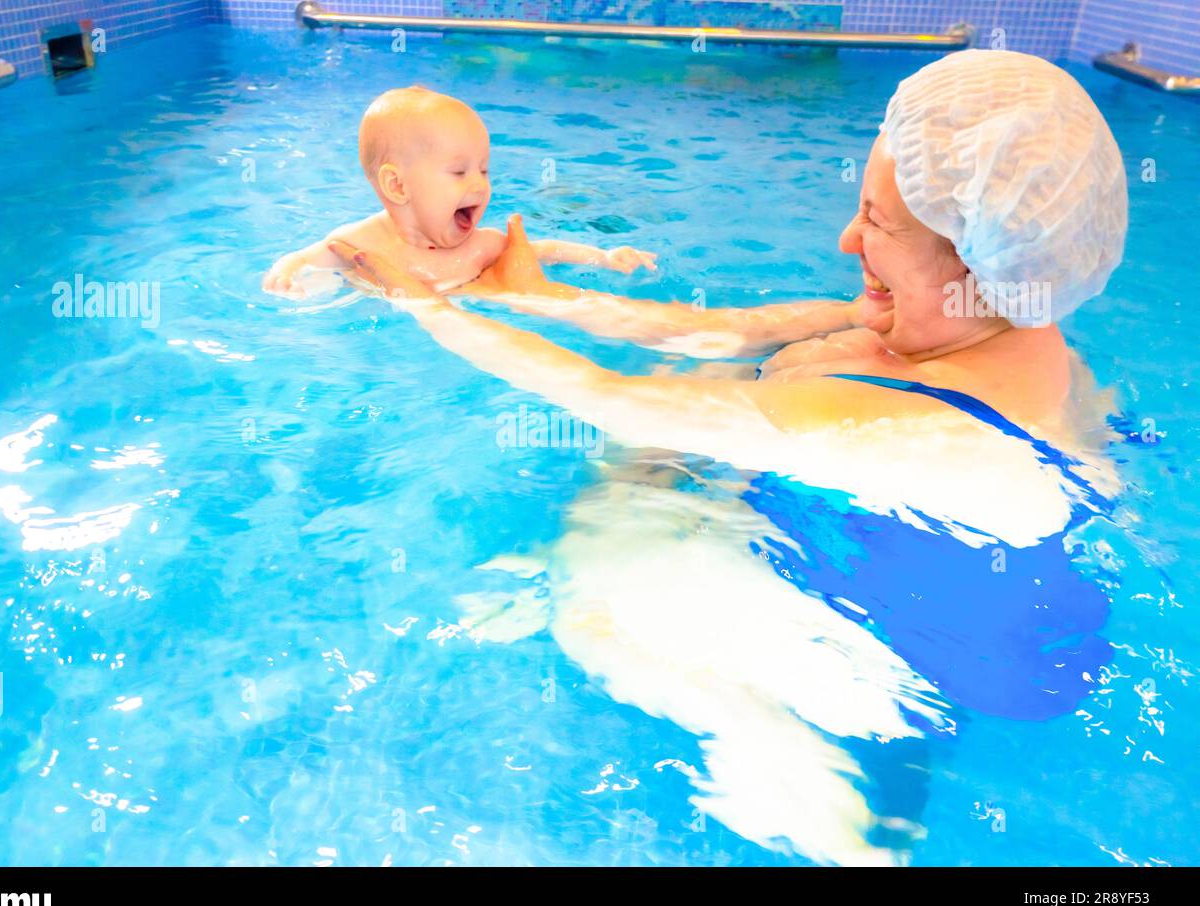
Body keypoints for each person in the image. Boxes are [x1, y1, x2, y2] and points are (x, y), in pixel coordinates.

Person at [334, 49, 1130, 721]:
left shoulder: (860, 411)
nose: (846, 237)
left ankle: (799, 787)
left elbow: (597, 395)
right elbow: (735, 329)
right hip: (983, 574)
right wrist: (540, 298)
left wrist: (417, 301)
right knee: (707, 378)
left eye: (877, 223)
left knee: (600, 577)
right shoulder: (1013, 315)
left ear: (973, 254)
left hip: (911, 648)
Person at [261, 86, 657, 297]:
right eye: (459, 171)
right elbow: (302, 258)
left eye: (484, 170)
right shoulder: (361, 243)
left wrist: (603, 257)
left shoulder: (480, 246)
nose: (479, 185)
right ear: (397, 186)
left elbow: (543, 251)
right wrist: (285, 274)